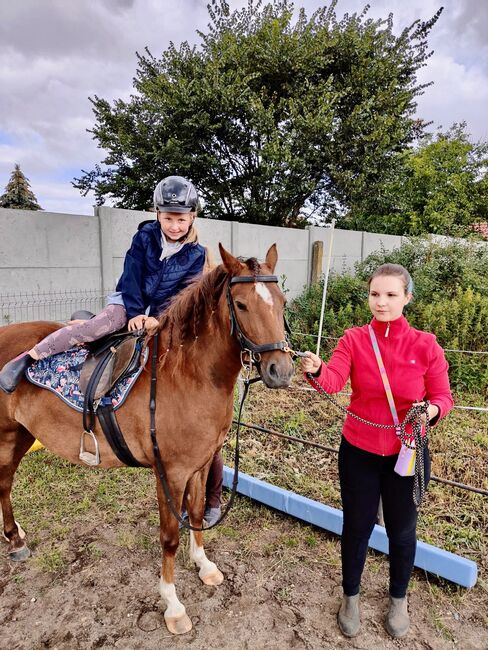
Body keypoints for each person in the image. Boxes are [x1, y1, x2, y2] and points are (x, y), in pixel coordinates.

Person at [301, 263, 453, 639]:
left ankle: (398, 598)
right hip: (359, 450)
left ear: (407, 298)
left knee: (402, 532)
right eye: (374, 294)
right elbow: (334, 382)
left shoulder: (425, 345)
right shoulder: (353, 339)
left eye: (390, 295)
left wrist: (430, 411)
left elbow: (443, 397)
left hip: (408, 453)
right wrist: (318, 370)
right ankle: (350, 595)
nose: (381, 302)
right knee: (356, 526)